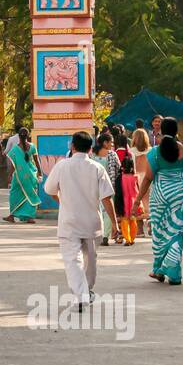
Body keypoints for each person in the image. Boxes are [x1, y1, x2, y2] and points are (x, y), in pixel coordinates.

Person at [44, 132, 119, 309]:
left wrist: (63, 201)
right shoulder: (96, 168)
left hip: (69, 222)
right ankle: (86, 291)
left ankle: (81, 295)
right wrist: (114, 224)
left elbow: (49, 189)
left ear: (72, 147)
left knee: (72, 261)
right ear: (91, 148)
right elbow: (107, 198)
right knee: (90, 259)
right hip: (92, 223)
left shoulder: (62, 166)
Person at [134, 117, 183, 285]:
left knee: (159, 232)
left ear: (161, 131)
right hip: (181, 193)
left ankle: (159, 269)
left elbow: (148, 179)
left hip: (160, 195)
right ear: (176, 132)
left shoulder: (154, 152)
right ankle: (173, 273)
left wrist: (138, 200)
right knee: (176, 232)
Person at [4, 128, 39, 223]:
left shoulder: (15, 149)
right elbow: (37, 161)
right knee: (30, 194)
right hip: (31, 176)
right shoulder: (32, 147)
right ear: (28, 136)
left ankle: (11, 216)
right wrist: (39, 173)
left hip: (19, 177)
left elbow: (13, 165)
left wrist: (9, 175)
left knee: (14, 194)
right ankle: (30, 217)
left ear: (19, 136)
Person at [93, 133, 121, 245]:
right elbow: (118, 168)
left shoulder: (92, 155)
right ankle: (105, 236)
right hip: (109, 186)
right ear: (105, 142)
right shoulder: (112, 154)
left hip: (94, 187)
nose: (112, 144)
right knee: (109, 211)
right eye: (111, 142)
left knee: (98, 210)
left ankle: (98, 234)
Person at [113, 133, 137, 245]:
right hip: (133, 201)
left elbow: (117, 191)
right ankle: (132, 238)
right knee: (133, 220)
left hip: (122, 201)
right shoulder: (135, 177)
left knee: (124, 221)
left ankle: (127, 239)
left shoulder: (120, 178)